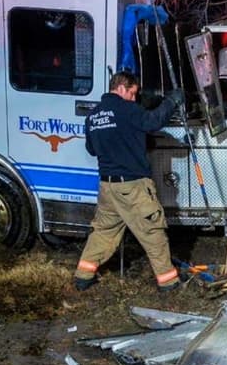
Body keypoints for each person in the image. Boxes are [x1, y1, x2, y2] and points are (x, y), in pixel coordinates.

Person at [74, 71, 183, 292]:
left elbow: (91, 149)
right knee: (153, 232)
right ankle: (169, 282)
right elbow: (153, 121)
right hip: (132, 186)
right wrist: (172, 100)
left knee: (104, 231)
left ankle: (83, 275)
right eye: (133, 93)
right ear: (122, 87)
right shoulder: (126, 109)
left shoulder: (93, 116)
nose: (134, 98)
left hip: (108, 187)